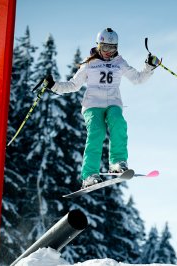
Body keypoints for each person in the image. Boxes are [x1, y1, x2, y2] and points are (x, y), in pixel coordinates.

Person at [43, 28, 160, 188]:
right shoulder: (89, 64)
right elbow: (73, 85)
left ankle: (117, 163)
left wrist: (149, 67)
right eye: (105, 48)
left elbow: (138, 79)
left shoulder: (119, 62)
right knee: (96, 134)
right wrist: (54, 86)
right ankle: (89, 175)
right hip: (92, 105)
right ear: (98, 46)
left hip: (113, 103)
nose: (108, 52)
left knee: (118, 122)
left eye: (112, 48)